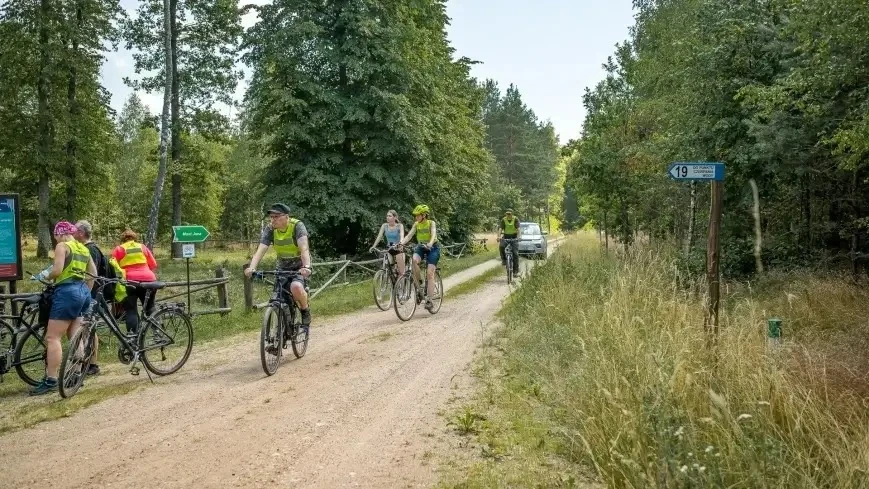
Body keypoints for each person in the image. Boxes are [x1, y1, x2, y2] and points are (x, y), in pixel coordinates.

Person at [29, 221, 97, 395]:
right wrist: (87, 292)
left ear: (60, 233)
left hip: (67, 292)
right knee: (75, 336)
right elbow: (93, 274)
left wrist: (44, 277)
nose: (55, 239)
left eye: (55, 235)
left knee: (53, 337)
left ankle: (51, 379)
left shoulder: (62, 246)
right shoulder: (83, 248)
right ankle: (76, 374)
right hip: (82, 291)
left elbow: (57, 270)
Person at [244, 203, 314, 325]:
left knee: (296, 287)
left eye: (276, 217)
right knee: (278, 295)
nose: (273, 220)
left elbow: (304, 249)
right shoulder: (270, 229)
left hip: (300, 265)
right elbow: (260, 250)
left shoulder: (297, 226)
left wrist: (306, 266)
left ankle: (305, 310)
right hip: (282, 266)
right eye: (271, 217)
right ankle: (282, 325)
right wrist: (252, 268)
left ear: (286, 217)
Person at [74, 220, 106, 376]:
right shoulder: (90, 248)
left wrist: (85, 293)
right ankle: (91, 363)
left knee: (89, 328)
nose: (72, 234)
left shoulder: (90, 250)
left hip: (91, 294)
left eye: (75, 231)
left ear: (81, 233)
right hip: (91, 293)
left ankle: (92, 364)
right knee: (89, 328)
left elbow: (90, 275)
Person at [112, 229, 158, 335]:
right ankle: (158, 335)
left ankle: (133, 338)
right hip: (148, 280)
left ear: (123, 239)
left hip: (129, 281)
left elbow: (113, 266)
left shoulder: (119, 249)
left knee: (131, 310)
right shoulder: (142, 247)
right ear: (134, 238)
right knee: (150, 308)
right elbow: (153, 264)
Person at [399, 204, 439, 312]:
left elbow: (433, 234)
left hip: (433, 248)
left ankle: (429, 300)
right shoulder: (416, 224)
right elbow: (409, 235)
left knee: (430, 273)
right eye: (415, 215)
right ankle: (420, 283)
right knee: (413, 261)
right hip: (421, 247)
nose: (416, 217)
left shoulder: (431, 223)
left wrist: (430, 243)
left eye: (418, 215)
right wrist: (401, 243)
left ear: (424, 215)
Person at [369, 209, 406, 277]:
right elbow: (379, 236)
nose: (387, 217)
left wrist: (400, 244)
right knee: (389, 266)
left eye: (390, 216)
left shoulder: (399, 226)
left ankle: (401, 280)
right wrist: (374, 246)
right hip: (390, 248)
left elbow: (402, 236)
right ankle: (390, 279)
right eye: (387, 216)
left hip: (398, 248)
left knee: (401, 271)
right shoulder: (384, 226)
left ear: (395, 217)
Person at [499, 209, 520, 274]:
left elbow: (518, 229)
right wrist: (498, 236)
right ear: (505, 214)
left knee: (515, 254)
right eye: (507, 213)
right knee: (501, 246)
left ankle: (515, 271)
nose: (508, 215)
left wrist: (518, 237)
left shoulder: (515, 219)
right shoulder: (503, 220)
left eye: (509, 214)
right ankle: (504, 260)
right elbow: (500, 228)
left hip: (514, 237)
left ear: (512, 214)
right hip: (506, 236)